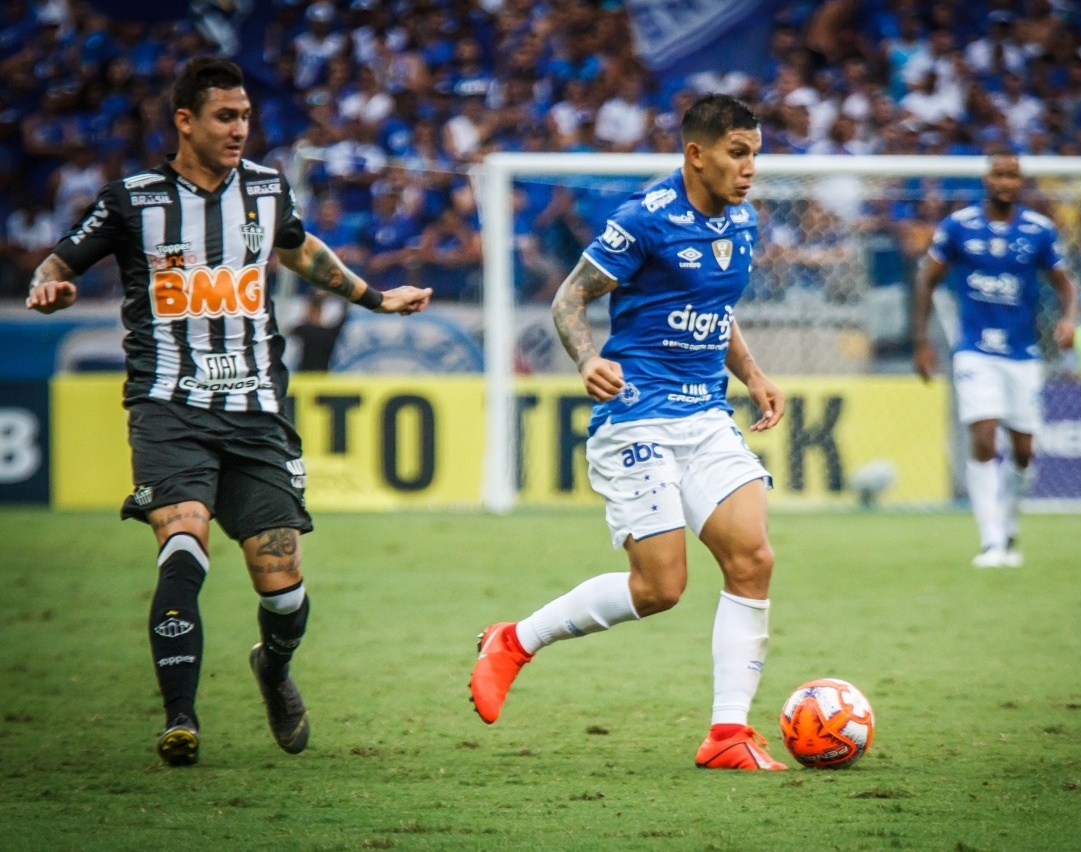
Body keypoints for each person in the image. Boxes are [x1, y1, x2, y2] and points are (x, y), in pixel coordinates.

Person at [25, 57, 432, 766]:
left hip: (256, 410)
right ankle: (180, 719)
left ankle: (272, 669)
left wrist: (373, 296)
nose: (240, 128)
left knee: (280, 584)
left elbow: (302, 253)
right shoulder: (134, 200)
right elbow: (56, 263)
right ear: (185, 121)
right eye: (225, 116)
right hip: (168, 406)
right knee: (184, 546)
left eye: (245, 116)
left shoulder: (268, 190)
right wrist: (47, 286)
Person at [470, 94, 789, 772]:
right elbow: (569, 297)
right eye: (737, 153)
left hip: (705, 417)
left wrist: (753, 374)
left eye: (755, 155)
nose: (749, 169)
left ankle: (726, 733)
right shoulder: (644, 219)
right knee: (659, 588)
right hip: (637, 415)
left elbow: (715, 307)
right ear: (696, 154)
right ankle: (513, 641)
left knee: (752, 559)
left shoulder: (744, 220)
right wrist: (587, 359)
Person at [912, 151, 1077, 569]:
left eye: (1013, 175)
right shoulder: (959, 227)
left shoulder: (1038, 231)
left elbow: (1065, 285)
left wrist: (1070, 319)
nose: (1005, 182)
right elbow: (926, 280)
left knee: (1023, 450)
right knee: (984, 437)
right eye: (998, 174)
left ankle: (1009, 523)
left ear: (1020, 182)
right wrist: (921, 343)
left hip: (1023, 353)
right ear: (986, 179)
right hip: (975, 350)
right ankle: (991, 542)